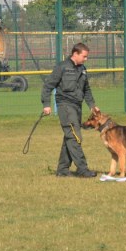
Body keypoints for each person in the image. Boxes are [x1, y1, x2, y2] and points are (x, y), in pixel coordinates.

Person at [42, 43, 98, 178]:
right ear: (75, 54)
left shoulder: (83, 69)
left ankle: (62, 170)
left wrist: (92, 105)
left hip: (77, 106)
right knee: (74, 136)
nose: (86, 59)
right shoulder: (62, 67)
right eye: (84, 56)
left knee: (70, 136)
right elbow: (48, 85)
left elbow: (86, 89)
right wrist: (46, 104)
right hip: (65, 106)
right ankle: (83, 169)